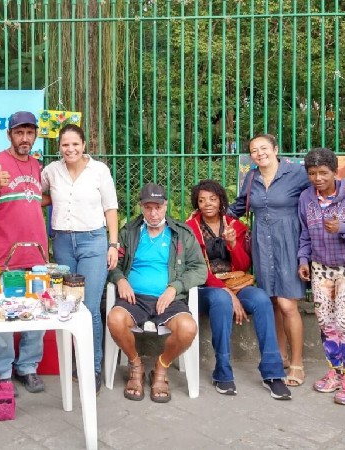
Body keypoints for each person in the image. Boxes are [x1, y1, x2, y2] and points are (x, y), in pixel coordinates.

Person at [228, 134, 345, 387]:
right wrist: (208, 216)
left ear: (275, 149)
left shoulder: (296, 172)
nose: (259, 153)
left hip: (290, 244)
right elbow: (238, 207)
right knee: (272, 301)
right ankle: (280, 356)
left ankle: (297, 364)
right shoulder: (251, 177)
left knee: (287, 304)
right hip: (262, 246)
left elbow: (327, 178)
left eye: (264, 148)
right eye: (254, 150)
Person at [186, 180, 291, 400]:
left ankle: (273, 373)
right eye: (202, 200)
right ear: (197, 203)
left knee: (261, 299)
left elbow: (243, 265)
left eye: (212, 199)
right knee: (221, 300)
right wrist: (227, 293)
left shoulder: (235, 226)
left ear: (221, 201)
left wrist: (233, 244)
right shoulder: (190, 228)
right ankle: (222, 371)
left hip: (236, 282)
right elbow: (196, 269)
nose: (207, 204)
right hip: (206, 288)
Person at [107, 183, 207, 403]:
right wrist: (120, 279)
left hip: (169, 299)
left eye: (158, 207)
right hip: (134, 298)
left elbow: (200, 269)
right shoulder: (129, 232)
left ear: (166, 205)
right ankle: (136, 364)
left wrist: (174, 288)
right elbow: (114, 263)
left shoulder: (181, 234)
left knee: (188, 328)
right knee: (114, 319)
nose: (153, 213)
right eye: (148, 207)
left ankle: (161, 367)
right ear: (141, 207)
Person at [0, 111, 49, 394]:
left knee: (37, 316)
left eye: (29, 133)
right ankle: (3, 372)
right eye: (19, 132)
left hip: (37, 257)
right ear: (9, 135)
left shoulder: (37, 166)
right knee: (3, 316)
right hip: (4, 258)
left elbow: (33, 200)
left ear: (35, 135)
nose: (24, 138)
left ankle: (28, 367)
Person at [41, 124, 119, 393]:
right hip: (63, 242)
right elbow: (36, 194)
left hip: (93, 242)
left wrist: (113, 244)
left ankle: (92, 367)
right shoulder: (51, 171)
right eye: (65, 145)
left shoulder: (99, 170)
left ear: (84, 145)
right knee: (65, 304)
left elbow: (111, 208)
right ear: (59, 147)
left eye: (75, 144)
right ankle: (71, 362)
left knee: (88, 306)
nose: (70, 149)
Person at [297, 148, 345, 405]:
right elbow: (305, 234)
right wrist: (303, 260)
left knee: (344, 323)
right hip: (321, 268)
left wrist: (343, 228)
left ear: (334, 172)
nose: (318, 178)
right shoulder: (306, 198)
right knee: (326, 324)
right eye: (312, 173)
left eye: (323, 173)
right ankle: (336, 374)